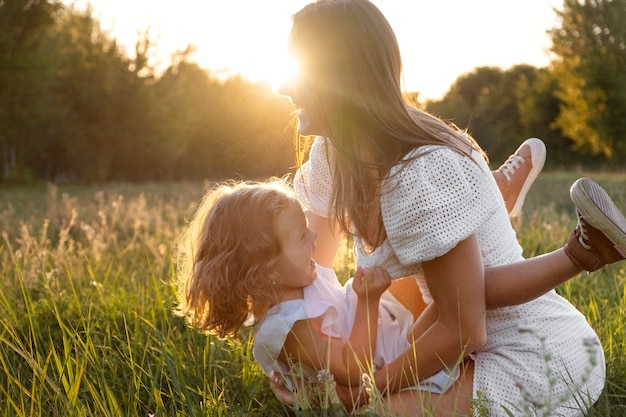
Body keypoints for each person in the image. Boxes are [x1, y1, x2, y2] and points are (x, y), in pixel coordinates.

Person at [271, 0, 626, 415]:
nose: (282, 86)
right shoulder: (332, 155)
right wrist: (304, 361)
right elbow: (316, 271)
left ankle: (504, 215)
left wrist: (365, 388)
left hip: (524, 349)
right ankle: (489, 201)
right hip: (436, 324)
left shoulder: (419, 175)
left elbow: (464, 330)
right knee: (382, 303)